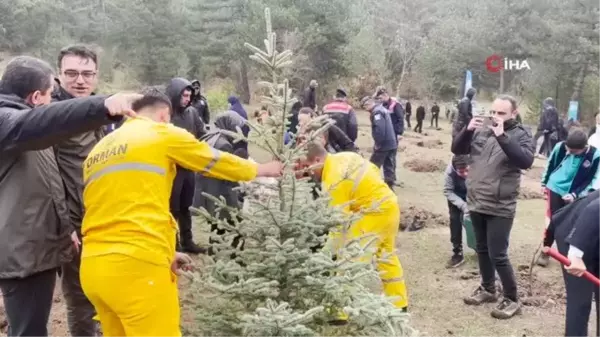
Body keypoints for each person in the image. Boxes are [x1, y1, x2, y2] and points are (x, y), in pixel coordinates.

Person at [79, 86, 283, 337]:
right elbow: (212, 159)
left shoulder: (99, 150)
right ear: (165, 114)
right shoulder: (160, 132)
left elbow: (123, 208)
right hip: (136, 266)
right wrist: (262, 170)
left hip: (93, 267)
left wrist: (166, 253)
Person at [0, 55, 139, 337]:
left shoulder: (28, 132)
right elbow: (38, 122)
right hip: (21, 252)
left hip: (40, 245)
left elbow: (50, 186)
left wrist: (65, 229)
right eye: (51, 94)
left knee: (33, 325)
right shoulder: (8, 122)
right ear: (37, 96)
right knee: (28, 331)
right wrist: (104, 105)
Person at [297, 142, 408, 310]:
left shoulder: (333, 179)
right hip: (390, 205)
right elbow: (374, 170)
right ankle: (399, 304)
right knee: (387, 257)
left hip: (372, 213)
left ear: (318, 159)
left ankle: (339, 311)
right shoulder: (345, 156)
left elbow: (339, 226)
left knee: (350, 259)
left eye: (307, 166)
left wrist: (322, 257)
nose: (307, 172)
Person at [452, 94, 534, 319]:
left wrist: (502, 136)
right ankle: (488, 288)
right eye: (493, 112)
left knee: (498, 254)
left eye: (501, 113)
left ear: (513, 113)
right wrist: (467, 130)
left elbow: (526, 161)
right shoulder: (481, 129)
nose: (495, 117)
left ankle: (512, 298)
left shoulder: (521, 134)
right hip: (477, 198)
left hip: (500, 204)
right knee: (481, 248)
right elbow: (457, 149)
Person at [52, 44, 103, 337]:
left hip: (102, 215)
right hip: (72, 222)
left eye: (87, 73)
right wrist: (65, 225)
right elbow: (48, 177)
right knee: (80, 296)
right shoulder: (50, 115)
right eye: (71, 73)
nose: (79, 80)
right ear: (59, 75)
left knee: (104, 288)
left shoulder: (99, 109)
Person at [537, 128, 600, 267]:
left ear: (584, 147)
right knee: (552, 221)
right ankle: (546, 250)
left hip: (576, 194)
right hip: (554, 187)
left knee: (573, 223)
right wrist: (544, 183)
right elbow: (551, 164)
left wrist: (576, 194)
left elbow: (592, 179)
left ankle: (568, 255)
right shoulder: (560, 147)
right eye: (568, 149)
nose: (568, 152)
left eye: (573, 151)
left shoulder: (595, 155)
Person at [542, 189, 600, 337]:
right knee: (580, 299)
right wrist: (575, 255)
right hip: (575, 233)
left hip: (596, 239)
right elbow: (594, 210)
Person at [194, 111, 248, 256]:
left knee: (216, 226)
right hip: (220, 192)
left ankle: (213, 253)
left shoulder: (210, 136)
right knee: (237, 224)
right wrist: (239, 192)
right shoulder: (224, 145)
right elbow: (227, 174)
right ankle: (237, 256)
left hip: (208, 190)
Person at [167, 77, 207, 254]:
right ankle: (172, 243)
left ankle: (187, 240)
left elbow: (201, 133)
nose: (186, 98)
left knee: (186, 206)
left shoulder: (192, 113)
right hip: (172, 169)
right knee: (172, 207)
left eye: (189, 95)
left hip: (189, 167)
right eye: (183, 95)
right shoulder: (166, 114)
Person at [360, 96, 397, 189]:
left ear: (368, 104)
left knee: (372, 165)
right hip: (391, 142)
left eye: (365, 107)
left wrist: (378, 144)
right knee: (389, 166)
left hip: (383, 144)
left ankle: (368, 186)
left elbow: (380, 129)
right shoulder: (382, 109)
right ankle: (390, 187)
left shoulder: (377, 112)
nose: (365, 110)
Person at [443, 155, 470, 268]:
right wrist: (463, 206)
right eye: (461, 172)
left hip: (474, 195)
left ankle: (481, 248)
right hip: (455, 196)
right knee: (455, 222)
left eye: (467, 171)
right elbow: (448, 191)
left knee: (479, 221)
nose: (465, 174)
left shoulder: (477, 166)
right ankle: (457, 252)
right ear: (455, 169)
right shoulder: (449, 173)